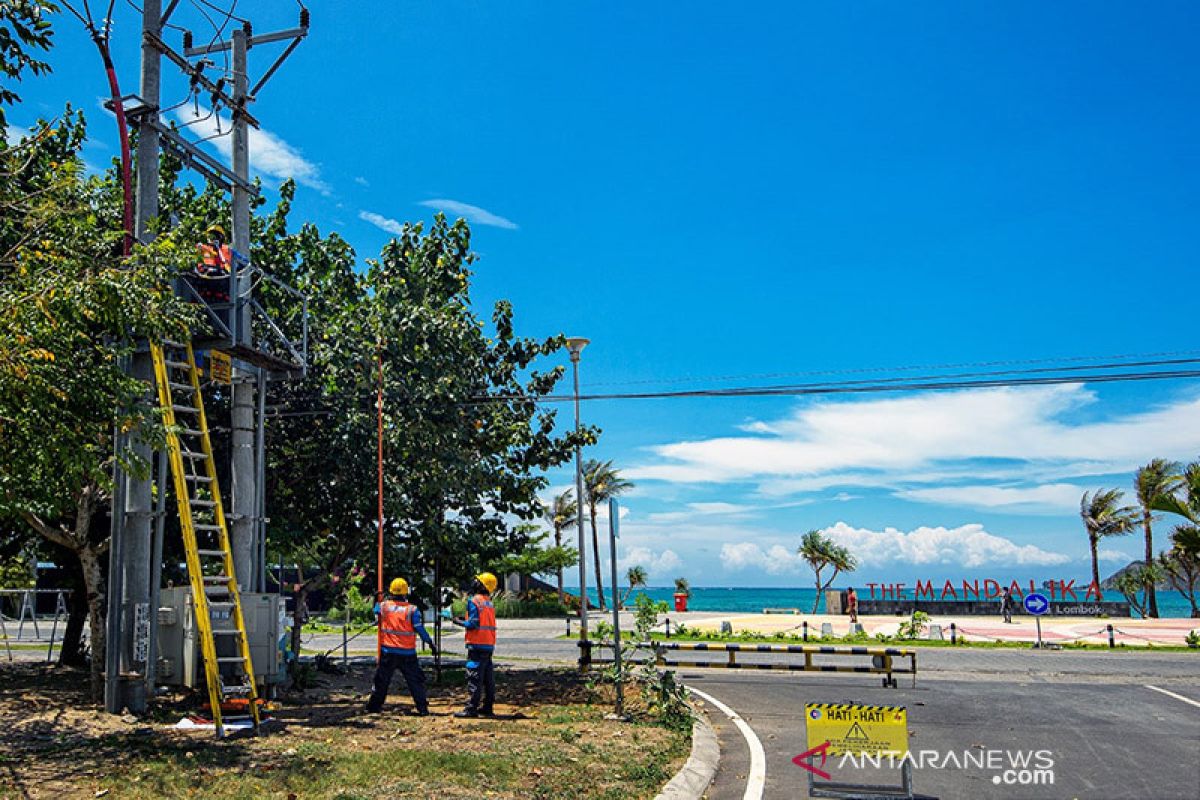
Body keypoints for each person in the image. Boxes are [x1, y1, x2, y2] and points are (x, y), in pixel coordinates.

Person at [365, 578, 437, 716]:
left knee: (381, 680)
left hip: (388, 651)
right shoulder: (412, 610)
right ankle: (422, 708)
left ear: (391, 591)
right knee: (415, 681)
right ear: (406, 593)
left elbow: (375, 610)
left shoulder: (384, 606)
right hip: (407, 653)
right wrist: (430, 644)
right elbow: (420, 630)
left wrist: (378, 597)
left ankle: (374, 707)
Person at [452, 572, 498, 719]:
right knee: (487, 678)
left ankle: (471, 708)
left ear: (481, 585)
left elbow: (473, 624)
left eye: (477, 580)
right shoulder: (488, 602)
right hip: (488, 644)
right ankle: (488, 706)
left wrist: (457, 621)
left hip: (477, 644)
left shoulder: (475, 601)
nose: (474, 582)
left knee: (475, 677)